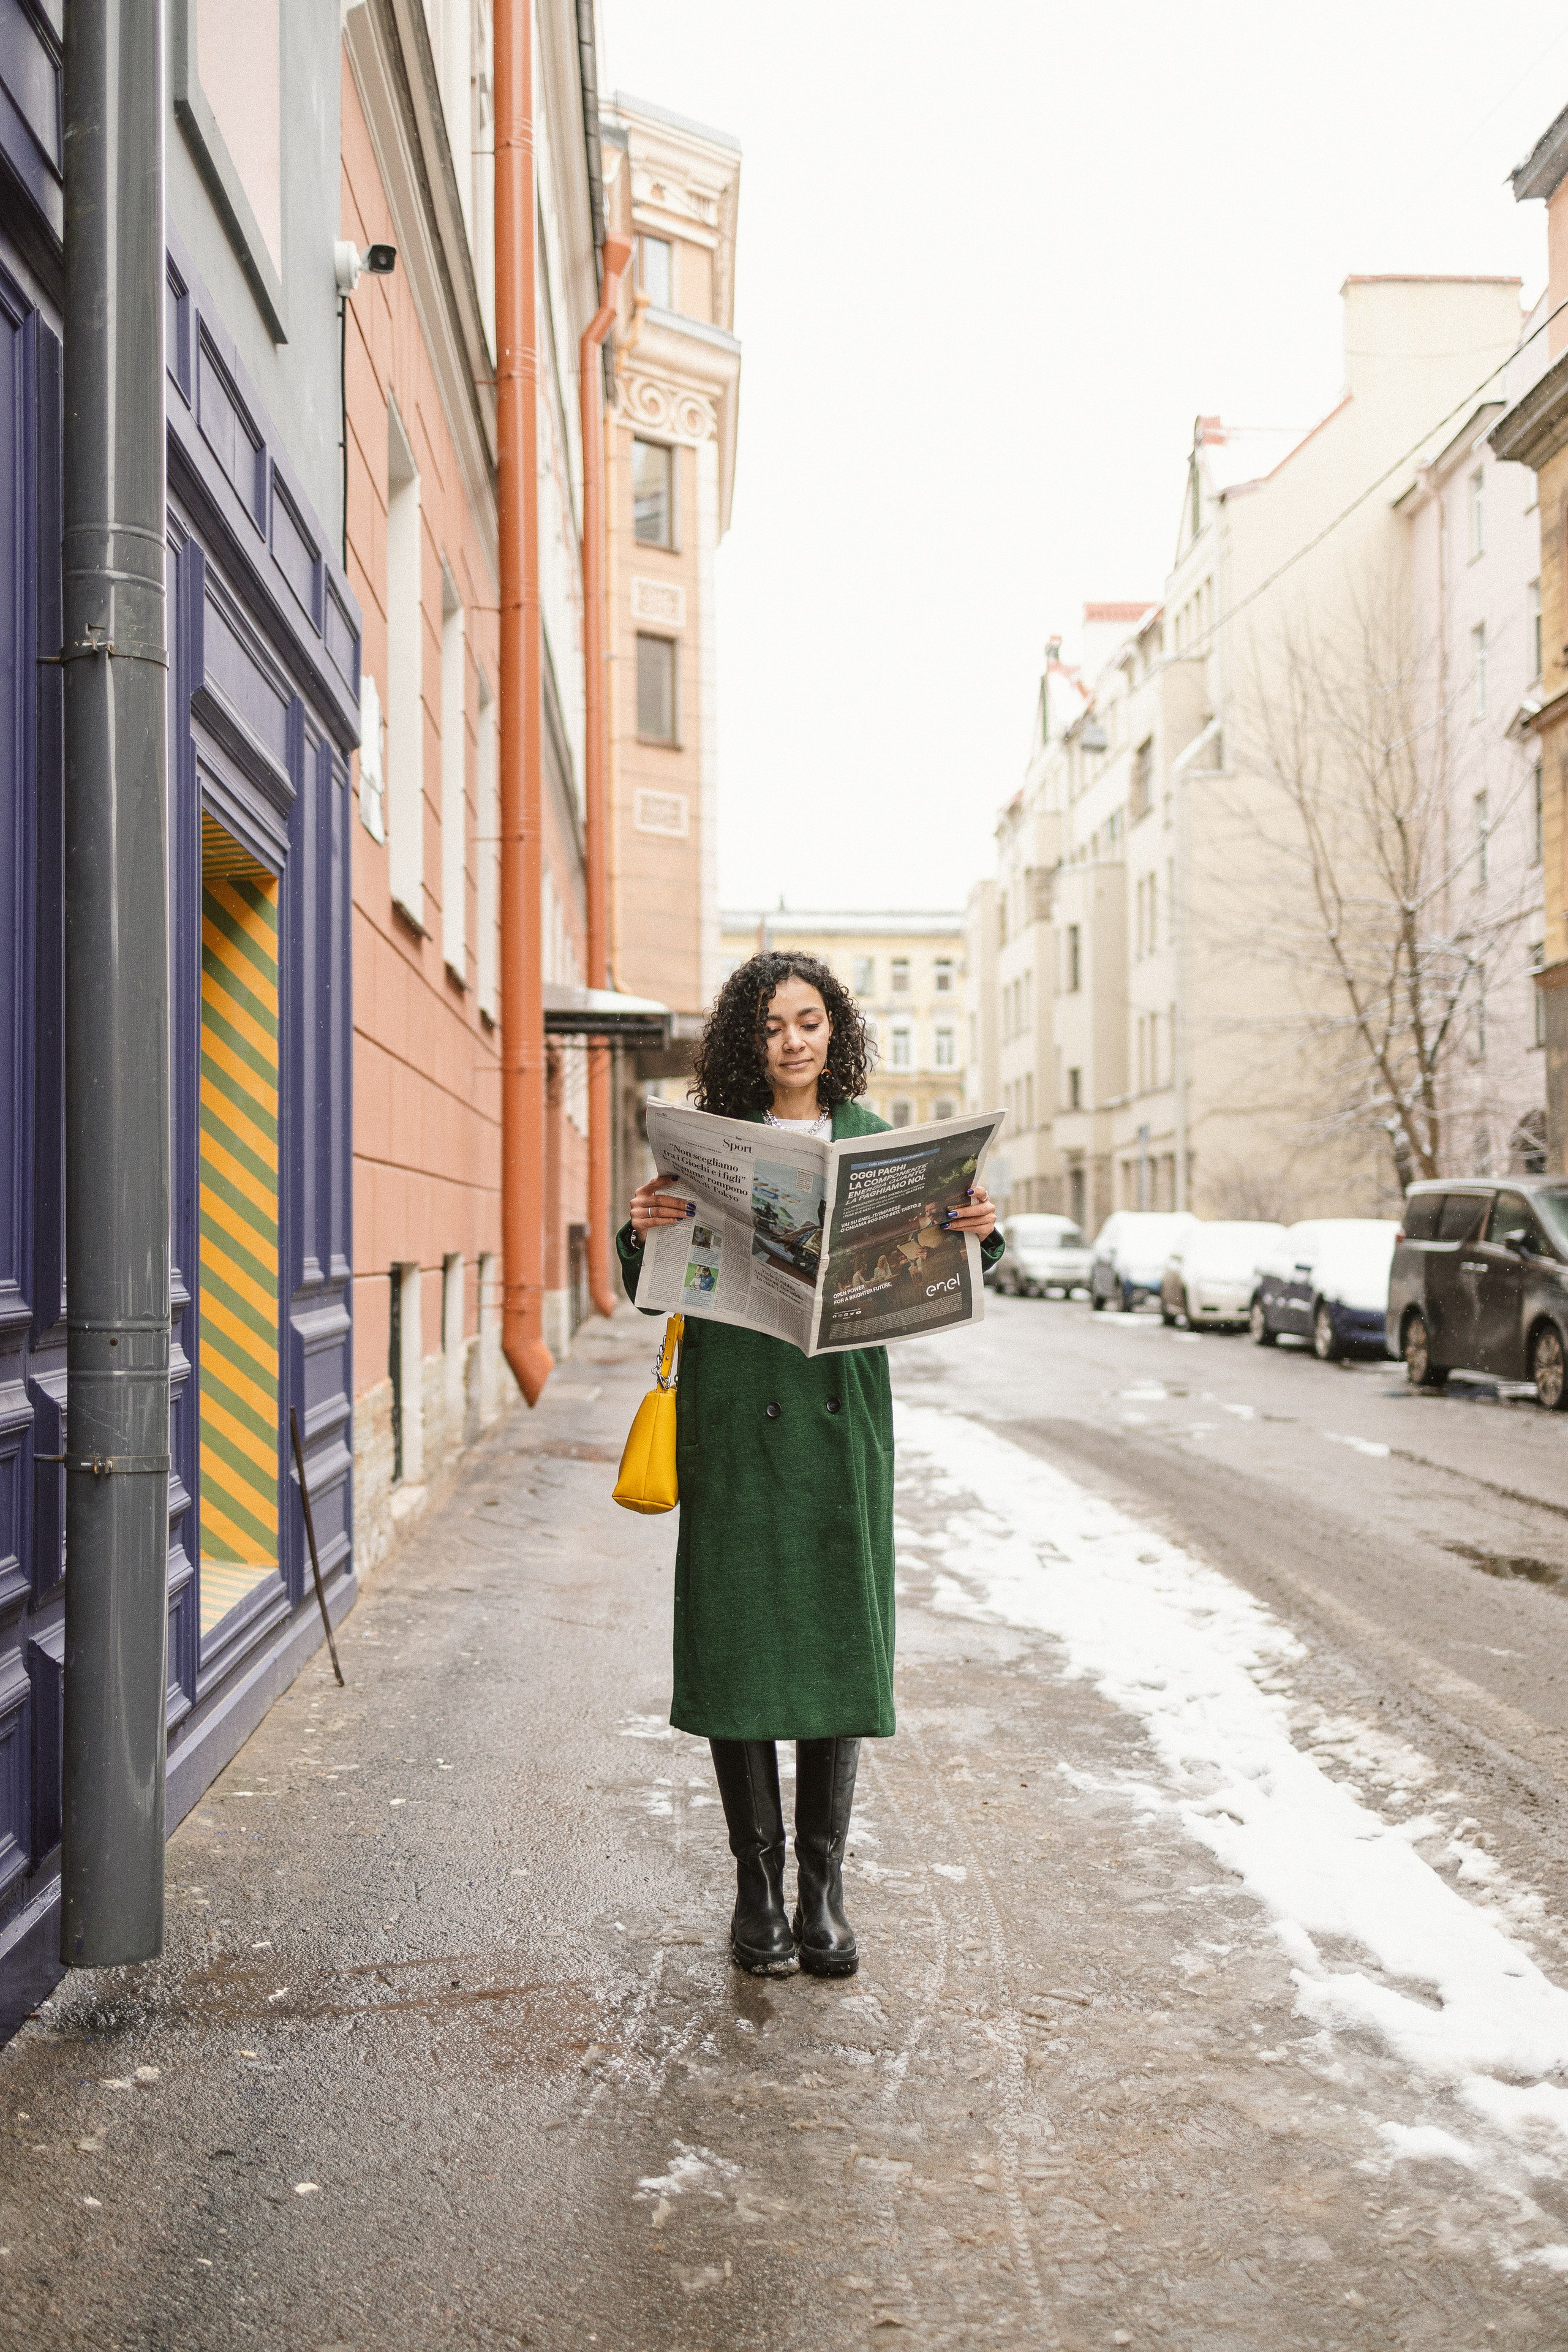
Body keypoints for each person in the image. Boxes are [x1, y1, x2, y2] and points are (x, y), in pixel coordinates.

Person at [618, 952, 1002, 1978]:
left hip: (841, 1424)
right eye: (772, 1026)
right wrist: (642, 1229)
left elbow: (941, 1275)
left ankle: (823, 1890)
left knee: (837, 1640)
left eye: (811, 1021)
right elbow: (655, 1287)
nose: (794, 1041)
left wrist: (974, 1234)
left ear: (837, 1031)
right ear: (748, 1042)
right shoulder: (712, 1149)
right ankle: (757, 1889)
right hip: (737, 1413)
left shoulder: (881, 1147)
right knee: (741, 1643)